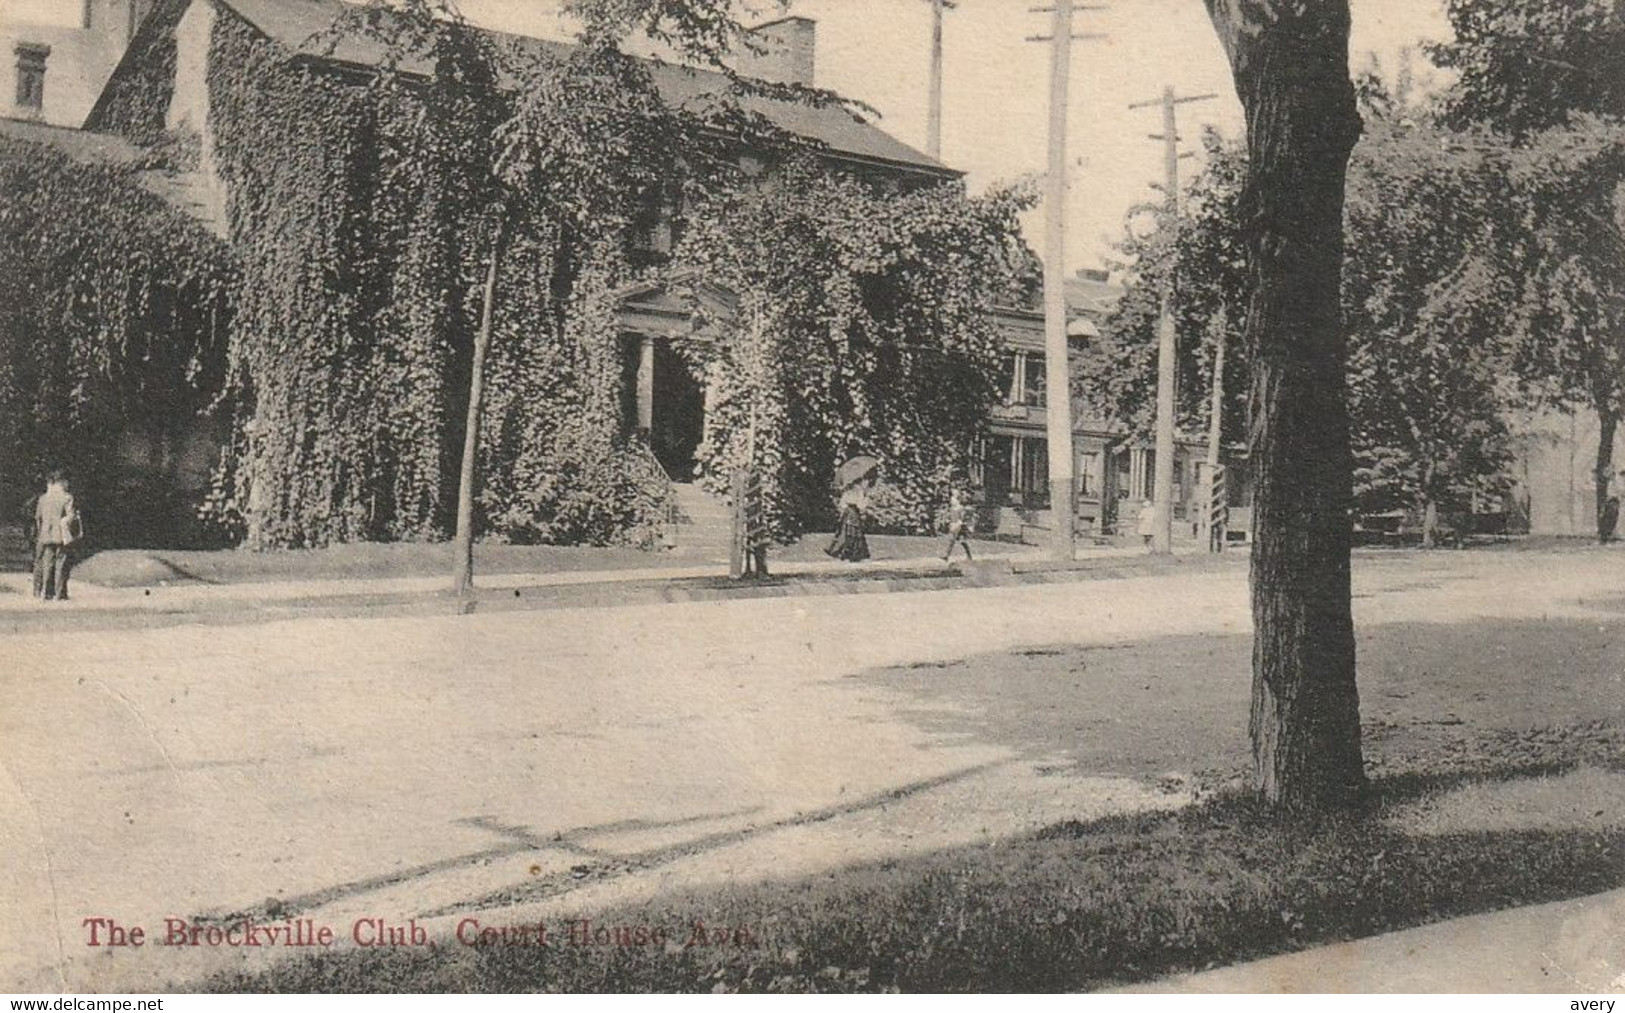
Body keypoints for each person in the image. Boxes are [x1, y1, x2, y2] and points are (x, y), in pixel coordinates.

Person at [32, 472, 80, 601]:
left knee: (47, 564)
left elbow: (38, 518)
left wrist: (41, 532)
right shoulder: (67, 498)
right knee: (61, 564)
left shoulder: (43, 498)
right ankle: (58, 594)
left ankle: (44, 592)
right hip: (61, 535)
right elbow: (70, 516)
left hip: (46, 535)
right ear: (62, 482)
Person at [825, 477, 872, 562]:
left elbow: (842, 504)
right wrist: (865, 499)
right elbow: (860, 505)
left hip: (848, 513)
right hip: (853, 512)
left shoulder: (848, 491)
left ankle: (844, 553)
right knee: (855, 533)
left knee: (847, 533)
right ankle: (854, 554)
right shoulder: (859, 491)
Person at [940, 487, 974, 562]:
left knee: (957, 541)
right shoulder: (952, 509)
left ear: (957, 500)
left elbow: (961, 519)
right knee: (956, 541)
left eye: (953, 499)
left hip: (959, 526)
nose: (951, 501)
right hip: (954, 525)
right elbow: (951, 517)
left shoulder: (961, 508)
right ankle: (947, 556)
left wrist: (958, 524)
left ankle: (947, 556)